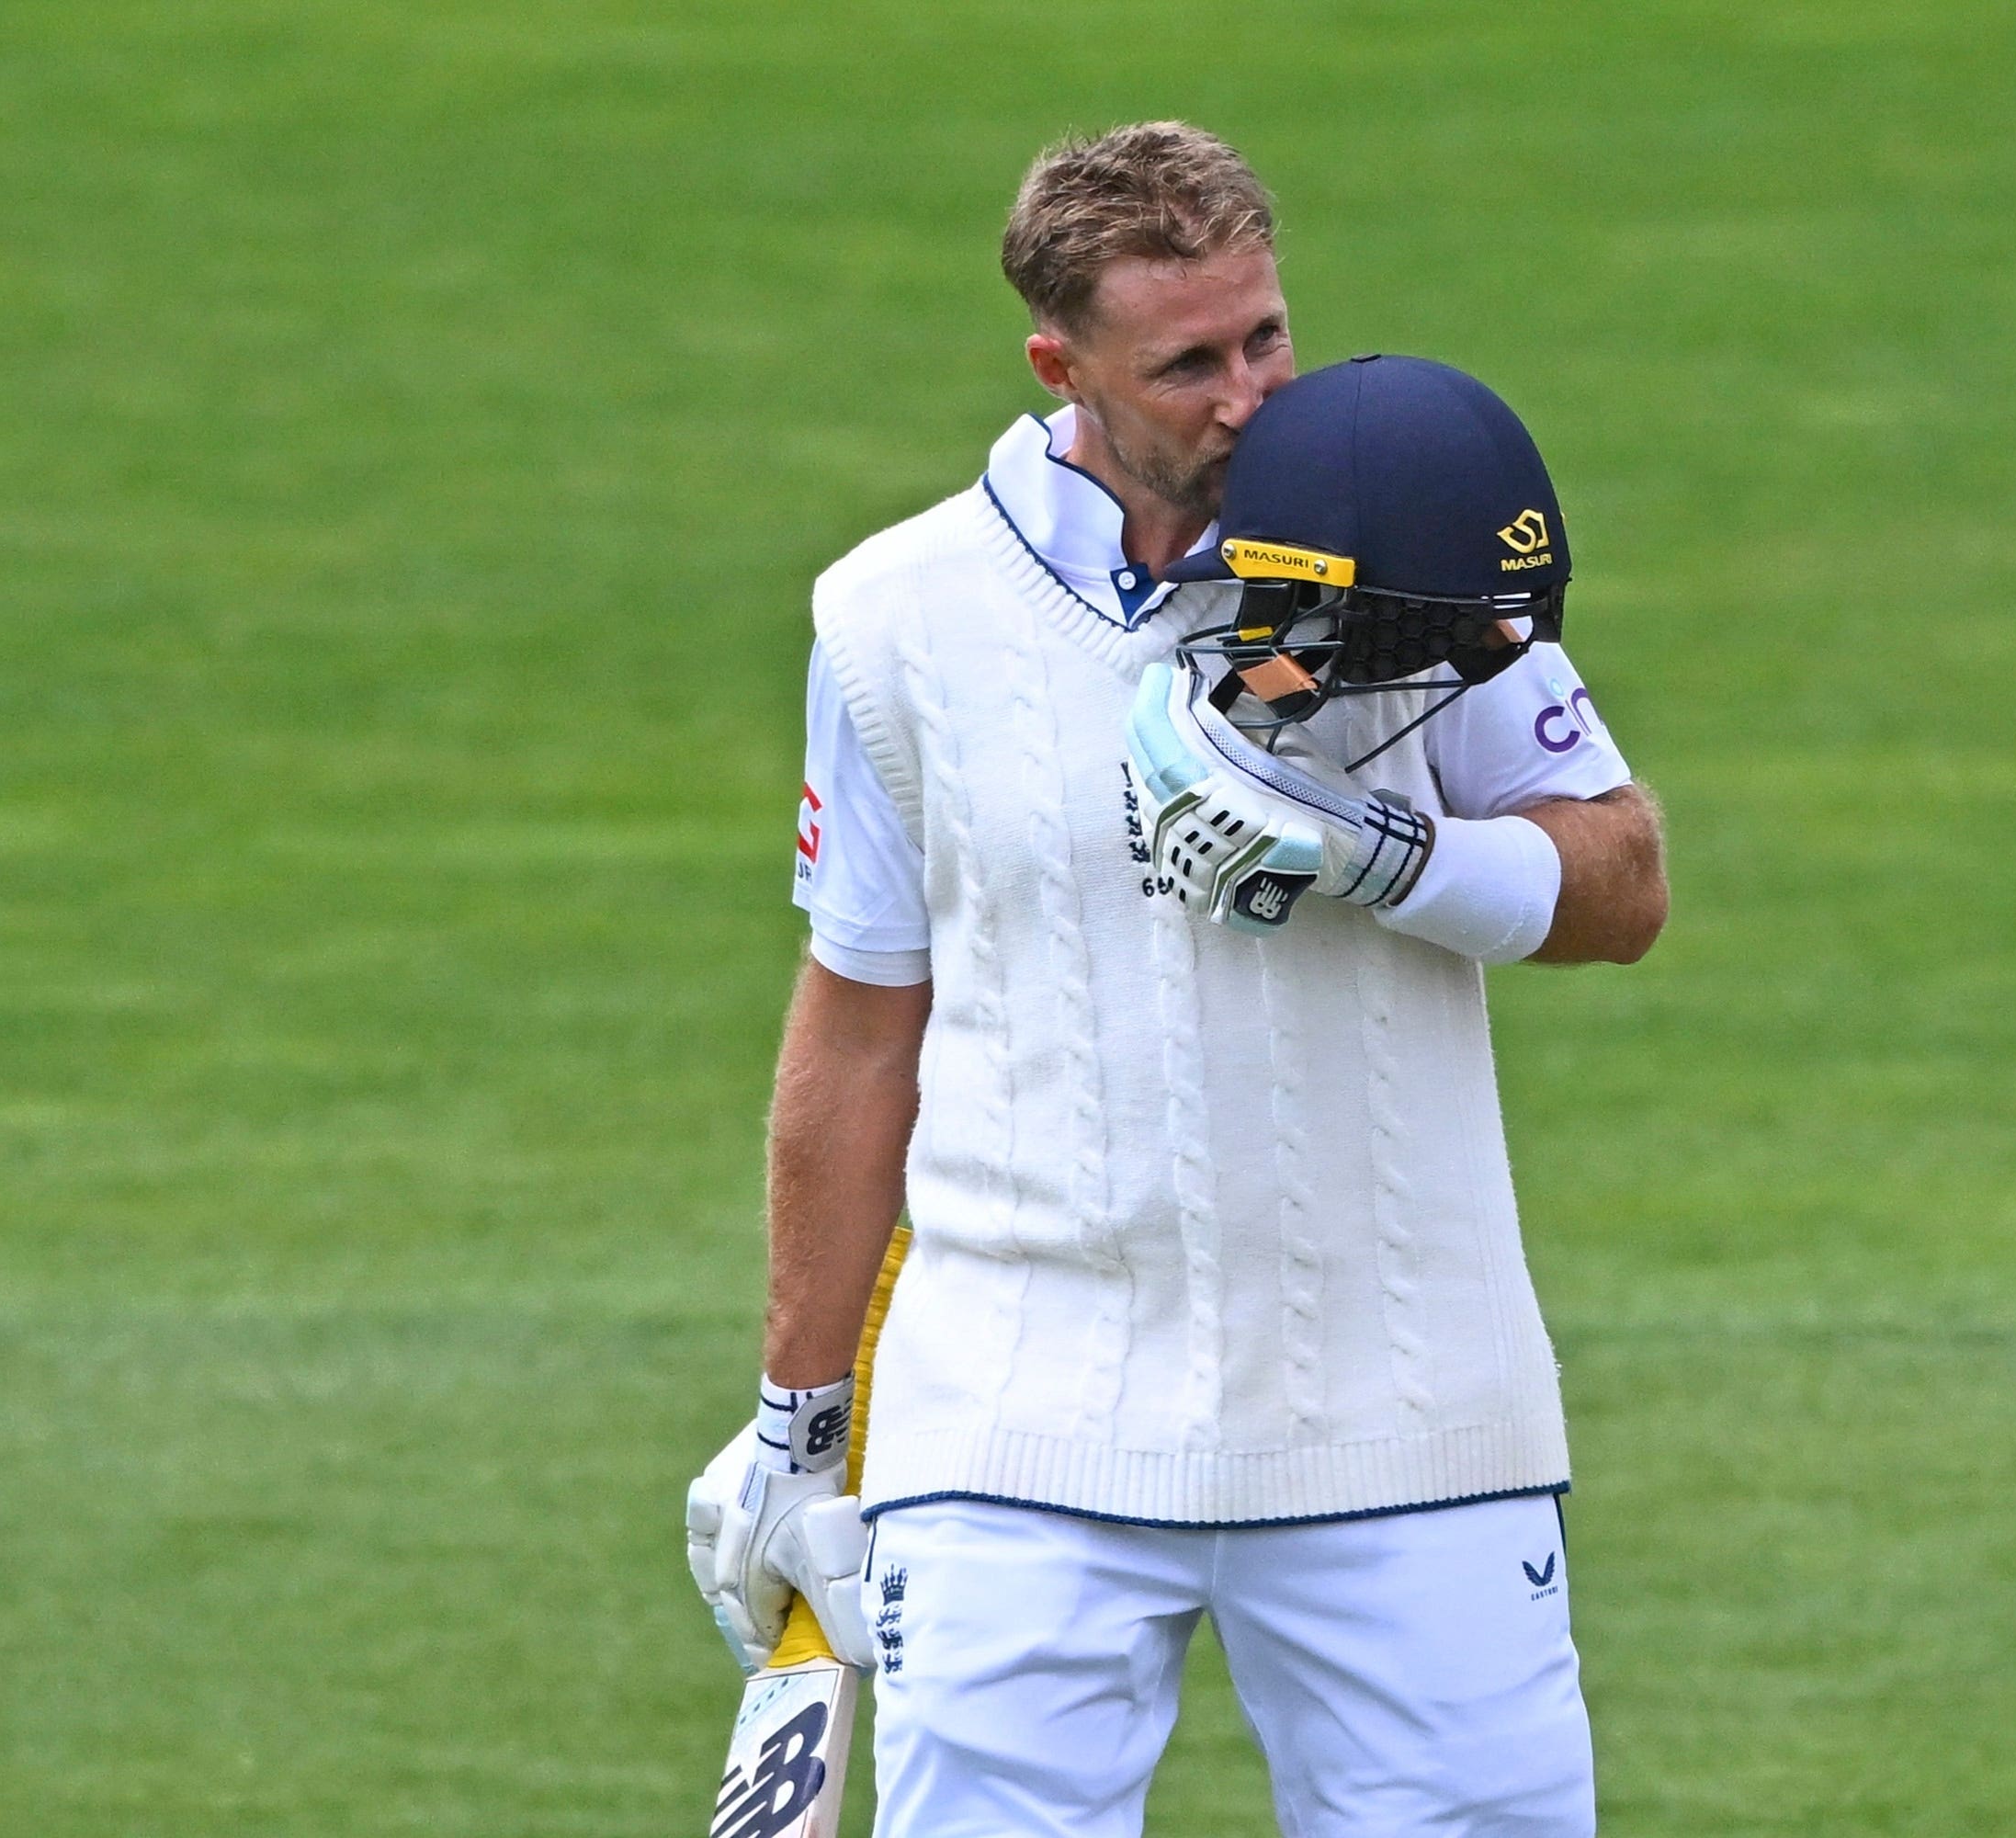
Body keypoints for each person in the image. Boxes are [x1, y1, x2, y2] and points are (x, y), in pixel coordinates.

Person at [685, 121, 1667, 1836]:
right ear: (1062, 366)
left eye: (1267, 337)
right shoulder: (895, 617)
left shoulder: (1416, 545)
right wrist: (798, 1415)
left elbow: (1623, 884)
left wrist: (1393, 858)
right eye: (1190, 362)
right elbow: (857, 1027)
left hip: (1408, 1418)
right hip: (1016, 1425)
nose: (1249, 399)